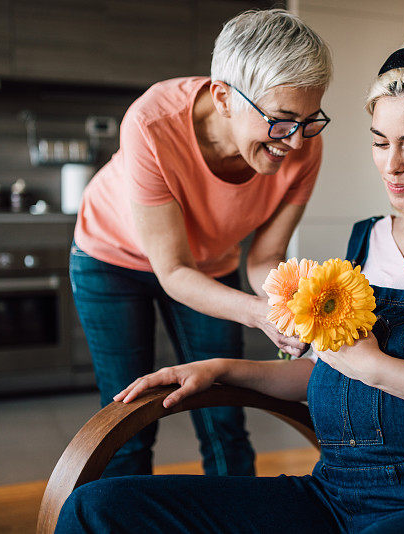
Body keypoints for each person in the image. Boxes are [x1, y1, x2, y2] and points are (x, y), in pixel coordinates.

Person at [57, 38, 404, 533]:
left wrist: (377, 369)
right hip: (334, 494)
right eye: (379, 142)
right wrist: (220, 370)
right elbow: (327, 372)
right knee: (98, 508)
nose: (390, 166)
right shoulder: (367, 239)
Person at [69, 9, 332, 478]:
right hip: (108, 259)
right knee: (131, 416)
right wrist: (258, 313)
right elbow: (172, 271)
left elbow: (266, 258)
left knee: (223, 413)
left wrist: (290, 300)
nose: (294, 143)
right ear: (223, 97)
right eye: (281, 120)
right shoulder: (152, 124)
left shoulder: (301, 145)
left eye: (310, 120)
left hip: (209, 263)